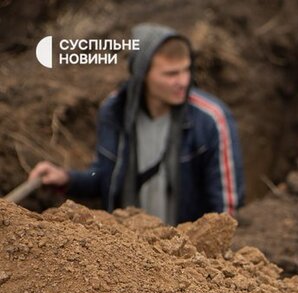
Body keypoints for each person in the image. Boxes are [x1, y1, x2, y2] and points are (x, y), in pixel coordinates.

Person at [29, 23, 244, 225]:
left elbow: (225, 209)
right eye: (171, 74)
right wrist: (67, 178)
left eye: (186, 70)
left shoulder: (211, 119)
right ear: (142, 75)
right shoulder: (114, 111)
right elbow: (104, 178)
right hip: (128, 254)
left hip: (186, 255)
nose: (183, 81)